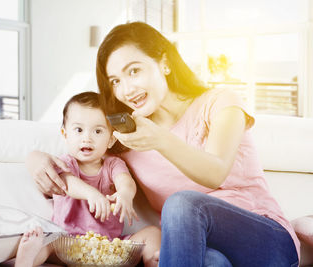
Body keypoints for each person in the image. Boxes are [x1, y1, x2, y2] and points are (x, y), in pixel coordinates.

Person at [26, 22, 300, 266]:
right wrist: (35, 158)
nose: (126, 89)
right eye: (115, 82)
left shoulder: (220, 102)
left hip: (268, 241)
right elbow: (83, 144)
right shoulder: (128, 139)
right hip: (199, 250)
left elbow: (215, 171)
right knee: (213, 262)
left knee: (183, 204)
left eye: (134, 71)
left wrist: (160, 139)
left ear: (164, 63)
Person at [16, 91, 161, 267]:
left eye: (98, 131)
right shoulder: (65, 163)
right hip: (67, 243)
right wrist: (92, 194)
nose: (87, 138)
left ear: (111, 139)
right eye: (78, 130)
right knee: (47, 241)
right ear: (65, 134)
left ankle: (153, 261)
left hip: (108, 246)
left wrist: (125, 193)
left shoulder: (112, 164)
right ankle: (26, 261)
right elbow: (67, 183)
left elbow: (125, 180)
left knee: (153, 232)